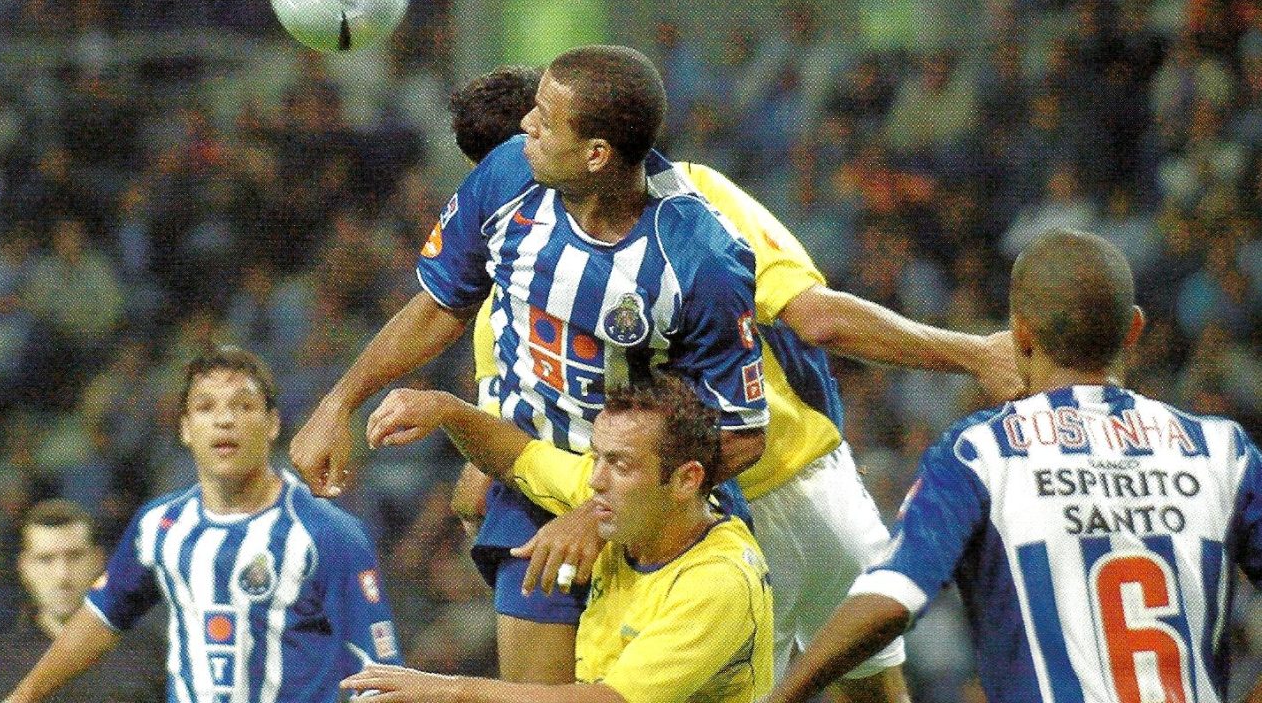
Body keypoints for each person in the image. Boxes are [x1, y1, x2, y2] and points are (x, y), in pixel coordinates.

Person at [446, 64, 1022, 701]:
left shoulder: (509, 305)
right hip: (801, 487)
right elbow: (818, 318)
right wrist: (974, 352)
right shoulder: (695, 193)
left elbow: (487, 475)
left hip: (691, 520)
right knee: (874, 690)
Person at [290, 45, 771, 684]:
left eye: (544, 118)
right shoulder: (507, 178)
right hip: (531, 489)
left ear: (596, 154)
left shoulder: (699, 258)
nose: (525, 125)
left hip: (655, 512)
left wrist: (598, 515)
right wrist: (339, 402)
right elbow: (439, 307)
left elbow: (741, 434)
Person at [767, 229, 1262, 703]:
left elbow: (893, 597)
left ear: (1020, 333)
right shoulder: (1223, 450)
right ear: (1133, 328)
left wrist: (781, 696)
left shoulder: (982, 452)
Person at [4, 345, 402, 703]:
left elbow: (381, 674)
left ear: (272, 423)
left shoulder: (327, 534)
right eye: (206, 407)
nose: (224, 420)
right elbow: (102, 617)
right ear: (185, 428)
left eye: (243, 406)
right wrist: (23, 695)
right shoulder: (159, 525)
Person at [343, 372, 773, 703]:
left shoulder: (718, 581)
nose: (596, 481)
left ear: (686, 480)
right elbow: (519, 455)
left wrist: (448, 691)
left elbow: (608, 701)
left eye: (620, 465)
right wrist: (445, 409)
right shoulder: (629, 508)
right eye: (596, 458)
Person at [0, 499, 164, 703]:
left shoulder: (147, 651)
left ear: (98, 560)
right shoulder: (1, 662)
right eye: (46, 559)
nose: (62, 576)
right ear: (24, 567)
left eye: (74, 556)